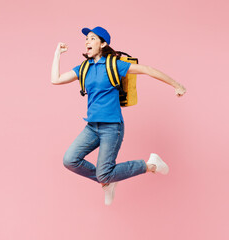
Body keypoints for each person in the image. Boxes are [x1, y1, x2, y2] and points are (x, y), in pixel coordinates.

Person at [50, 26, 187, 205]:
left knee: (103, 172)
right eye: (86, 39)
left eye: (92, 38)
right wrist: (57, 54)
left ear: (103, 43)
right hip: (92, 127)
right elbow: (56, 79)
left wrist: (177, 84)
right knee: (69, 160)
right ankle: (106, 180)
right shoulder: (84, 67)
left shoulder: (113, 64)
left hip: (111, 127)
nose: (87, 41)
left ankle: (149, 165)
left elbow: (147, 69)